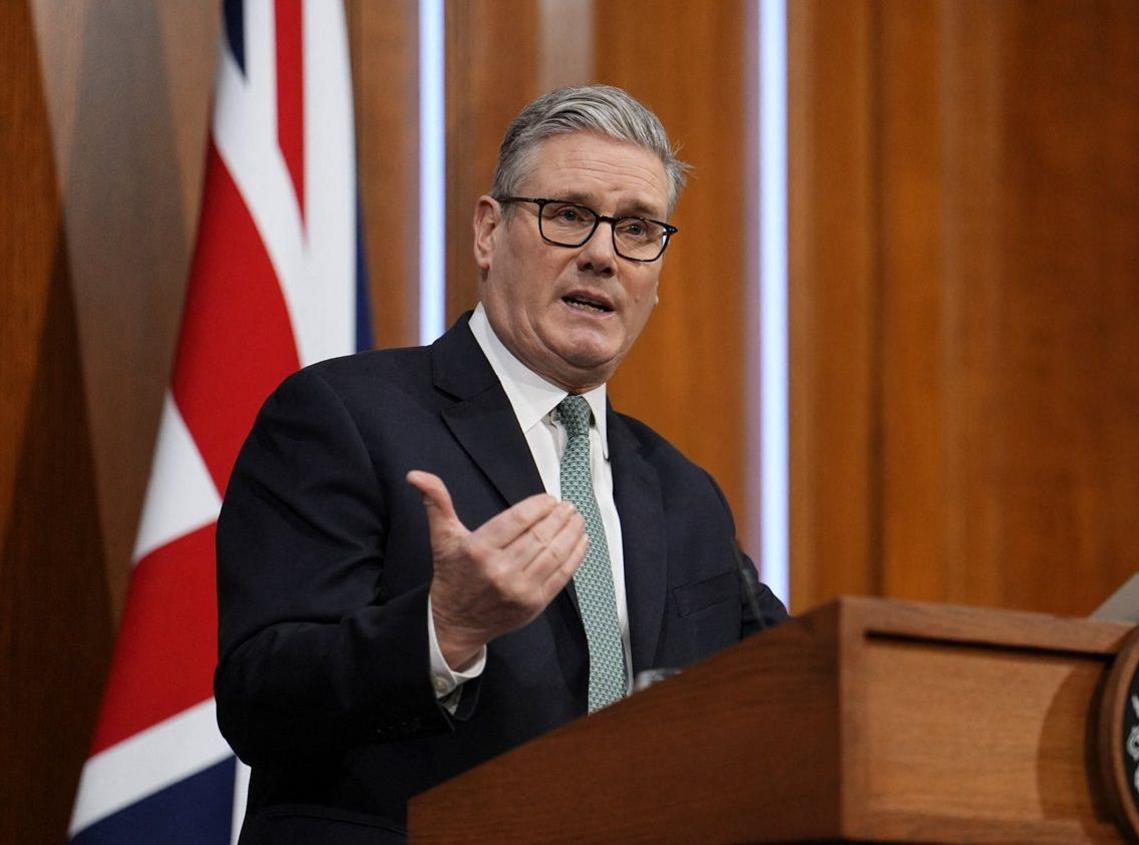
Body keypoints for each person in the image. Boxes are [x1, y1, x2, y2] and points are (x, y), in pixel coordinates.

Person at [214, 85, 788, 843]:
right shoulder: (343, 415)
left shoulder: (685, 494)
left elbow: (783, 696)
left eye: (638, 228)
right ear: (489, 231)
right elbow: (261, 697)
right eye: (570, 214)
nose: (602, 254)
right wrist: (442, 629)